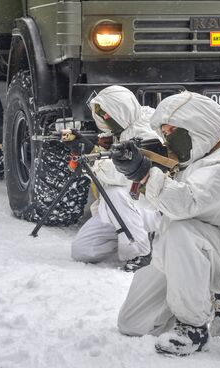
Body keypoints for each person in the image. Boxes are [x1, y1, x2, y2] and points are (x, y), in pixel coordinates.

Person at [113, 91, 220, 356]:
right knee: (132, 323)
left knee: (180, 231)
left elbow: (185, 204)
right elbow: (156, 205)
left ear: (197, 124)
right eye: (165, 132)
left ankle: (193, 326)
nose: (169, 138)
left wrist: (147, 173)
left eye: (172, 130)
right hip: (187, 253)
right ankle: (196, 299)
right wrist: (141, 171)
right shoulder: (200, 154)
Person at [65, 85, 161, 272]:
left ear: (121, 111)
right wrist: (91, 153)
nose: (104, 121)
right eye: (102, 116)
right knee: (82, 250)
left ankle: (141, 252)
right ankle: (131, 233)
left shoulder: (146, 133)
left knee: (114, 192)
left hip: (148, 205)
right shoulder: (123, 129)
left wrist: (92, 153)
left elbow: (121, 176)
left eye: (107, 116)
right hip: (122, 209)